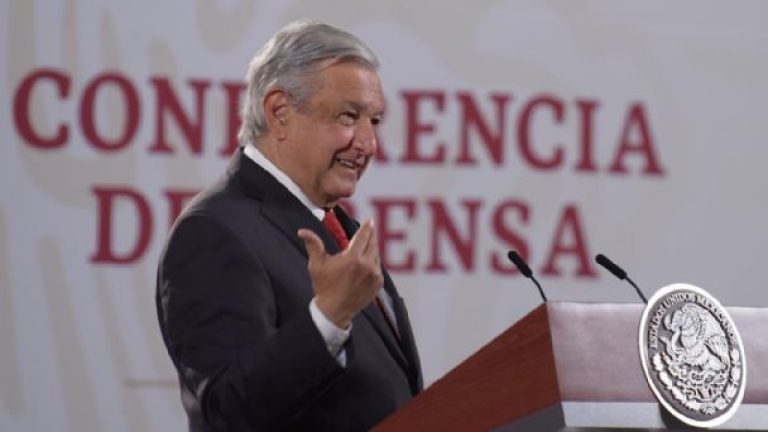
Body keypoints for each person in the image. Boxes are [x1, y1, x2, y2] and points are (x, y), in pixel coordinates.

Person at [155, 19, 422, 431]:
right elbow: (228, 411)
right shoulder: (213, 231)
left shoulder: (336, 225)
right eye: (349, 116)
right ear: (279, 112)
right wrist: (329, 318)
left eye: (374, 121)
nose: (368, 144)